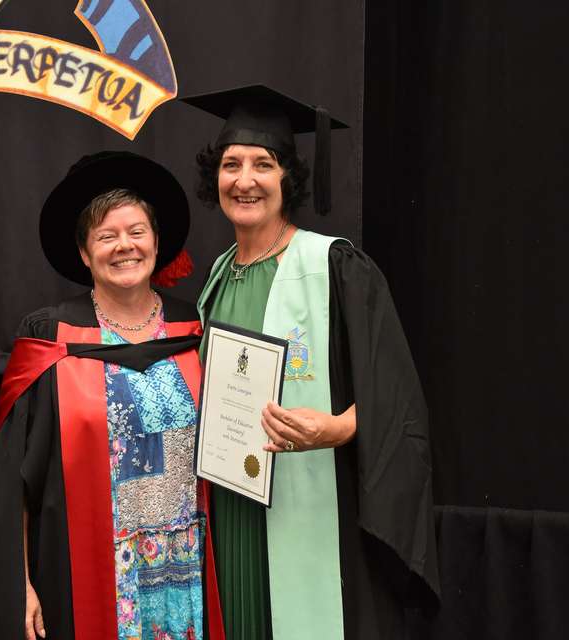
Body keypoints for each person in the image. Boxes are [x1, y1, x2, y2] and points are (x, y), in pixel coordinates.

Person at [180, 85, 440, 640]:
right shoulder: (218, 278)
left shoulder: (333, 266)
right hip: (232, 507)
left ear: (287, 179)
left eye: (263, 164)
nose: (244, 180)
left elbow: (397, 397)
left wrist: (339, 427)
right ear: (214, 179)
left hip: (308, 506)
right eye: (231, 165)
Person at [0, 151, 224, 640]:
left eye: (136, 232)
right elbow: (16, 480)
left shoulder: (196, 329)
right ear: (83, 251)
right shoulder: (52, 336)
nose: (125, 247)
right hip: (95, 571)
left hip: (189, 569)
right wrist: (20, 584)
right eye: (106, 236)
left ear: (157, 242)